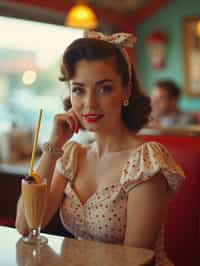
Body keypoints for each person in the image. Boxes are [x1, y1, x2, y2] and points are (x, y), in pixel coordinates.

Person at [15, 31, 184, 266]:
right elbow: (27, 226)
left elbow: (133, 260)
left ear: (126, 90)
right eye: (78, 89)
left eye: (104, 88)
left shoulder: (146, 161)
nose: (90, 103)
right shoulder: (73, 155)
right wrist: (53, 147)